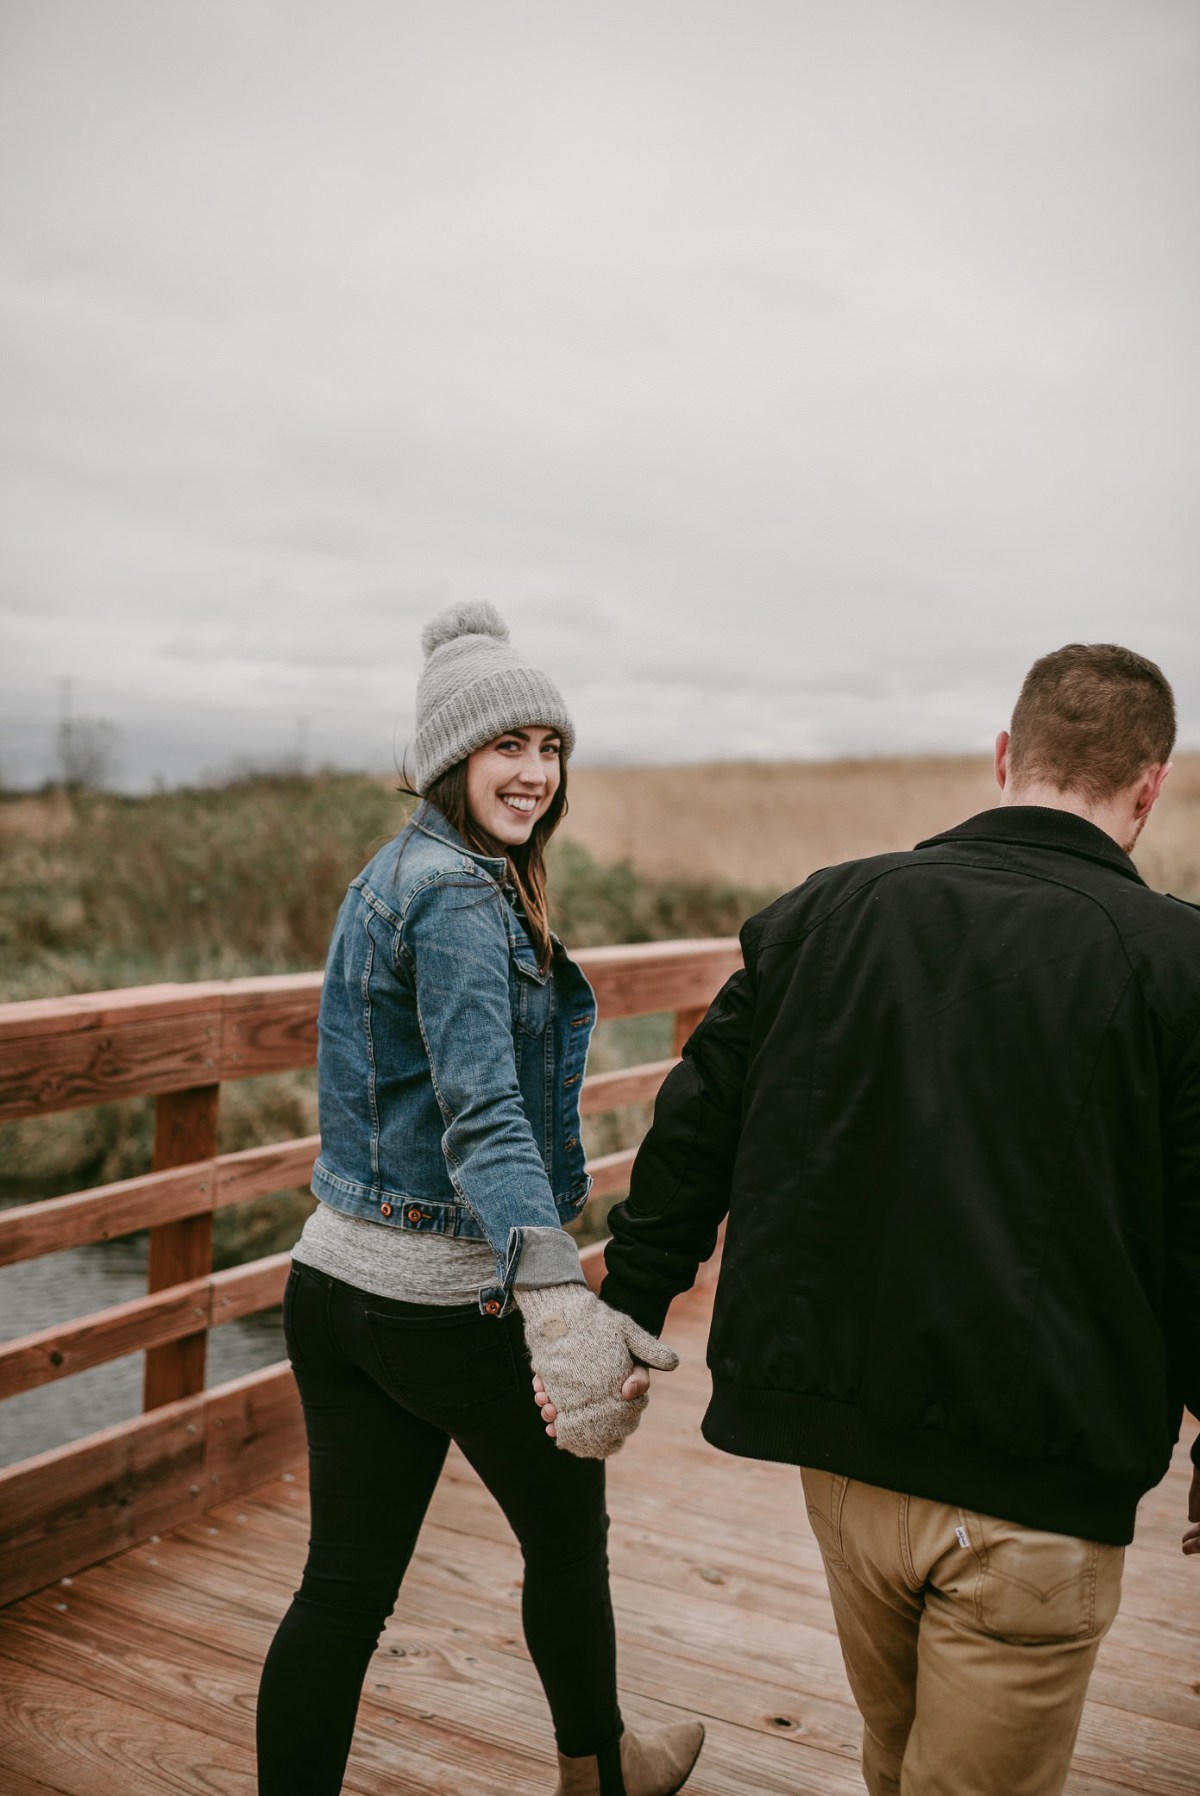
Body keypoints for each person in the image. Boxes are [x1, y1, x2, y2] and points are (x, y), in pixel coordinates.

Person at [571, 643, 1200, 1796]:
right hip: (1039, 1482)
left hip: (845, 1463)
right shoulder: (1179, 963)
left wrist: (628, 1306)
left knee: (898, 1756)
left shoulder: (824, 909)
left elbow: (695, 1123)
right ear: (1151, 785)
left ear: (1006, 754)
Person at [256, 601, 704, 1796]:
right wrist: (556, 1294)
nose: (536, 771)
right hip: (449, 1298)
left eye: (549, 746)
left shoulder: (391, 871)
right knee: (568, 1535)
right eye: (509, 745)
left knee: (341, 1586)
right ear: (452, 755)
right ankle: (599, 1771)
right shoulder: (458, 894)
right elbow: (482, 1113)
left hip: (334, 1282)